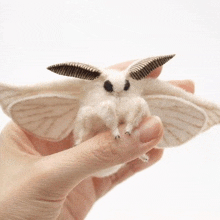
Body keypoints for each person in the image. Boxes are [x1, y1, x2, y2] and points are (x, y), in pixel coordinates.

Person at [0, 60, 194, 220]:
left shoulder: (137, 99)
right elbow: (86, 114)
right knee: (86, 111)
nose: (117, 92)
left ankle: (138, 146)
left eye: (125, 87)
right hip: (91, 145)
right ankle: (83, 145)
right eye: (109, 88)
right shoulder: (89, 98)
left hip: (115, 164)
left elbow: (142, 106)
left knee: (141, 103)